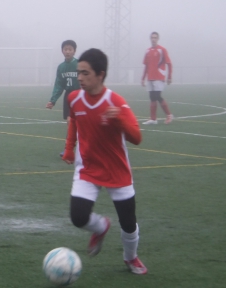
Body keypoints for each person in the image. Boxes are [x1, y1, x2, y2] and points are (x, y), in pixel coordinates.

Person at [61, 48, 147, 275]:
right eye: (79, 72)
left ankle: (131, 258)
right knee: (78, 217)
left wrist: (118, 119)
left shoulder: (115, 101)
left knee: (128, 222)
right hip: (87, 168)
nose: (80, 77)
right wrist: (69, 149)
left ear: (100, 75)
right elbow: (74, 122)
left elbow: (137, 138)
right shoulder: (74, 98)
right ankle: (101, 227)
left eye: (85, 73)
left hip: (116, 171)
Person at [45, 40, 79, 157]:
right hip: (69, 97)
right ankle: (68, 149)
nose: (67, 51)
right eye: (65, 49)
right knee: (70, 122)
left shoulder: (80, 65)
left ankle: (87, 147)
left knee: (83, 123)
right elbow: (59, 85)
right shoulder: (61, 67)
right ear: (62, 51)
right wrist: (52, 100)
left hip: (80, 96)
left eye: (70, 49)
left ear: (74, 51)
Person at [141, 32, 173, 124]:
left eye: (155, 38)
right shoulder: (147, 51)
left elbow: (169, 63)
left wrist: (169, 76)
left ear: (158, 39)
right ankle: (153, 119)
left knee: (157, 96)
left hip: (159, 77)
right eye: (152, 38)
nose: (153, 39)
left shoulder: (162, 50)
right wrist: (143, 78)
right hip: (150, 77)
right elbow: (146, 66)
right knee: (152, 97)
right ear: (150, 39)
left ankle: (169, 115)